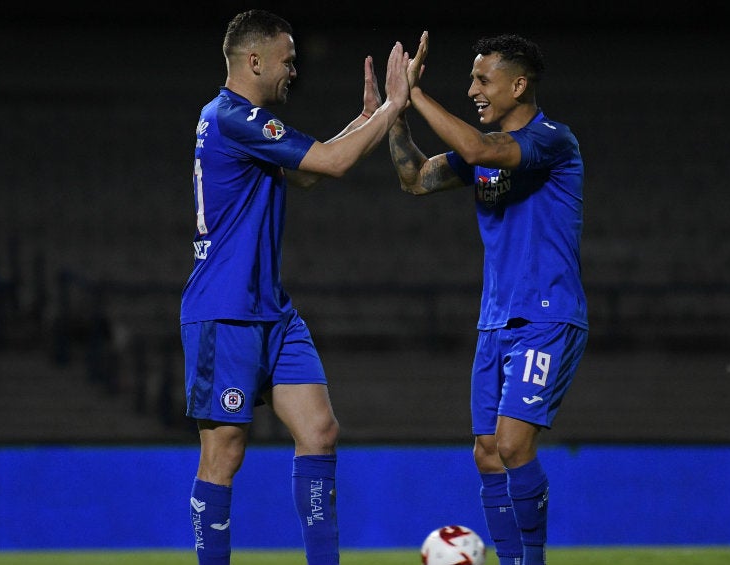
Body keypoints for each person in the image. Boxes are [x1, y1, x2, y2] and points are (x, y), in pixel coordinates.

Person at [181, 10, 409, 565]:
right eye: (287, 60)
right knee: (224, 453)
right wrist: (392, 107)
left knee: (321, 431)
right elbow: (330, 164)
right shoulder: (234, 116)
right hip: (225, 311)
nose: (293, 70)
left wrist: (364, 120)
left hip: (272, 310)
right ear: (253, 60)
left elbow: (308, 171)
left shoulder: (241, 123)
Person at [389, 31, 588, 565]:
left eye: (483, 79)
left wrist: (416, 94)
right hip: (495, 321)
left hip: (546, 315)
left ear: (518, 85)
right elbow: (415, 179)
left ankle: (533, 559)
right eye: (472, 78)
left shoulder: (551, 140)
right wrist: (396, 119)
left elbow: (480, 148)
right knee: (487, 454)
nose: (473, 89)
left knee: (513, 444)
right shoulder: (481, 155)